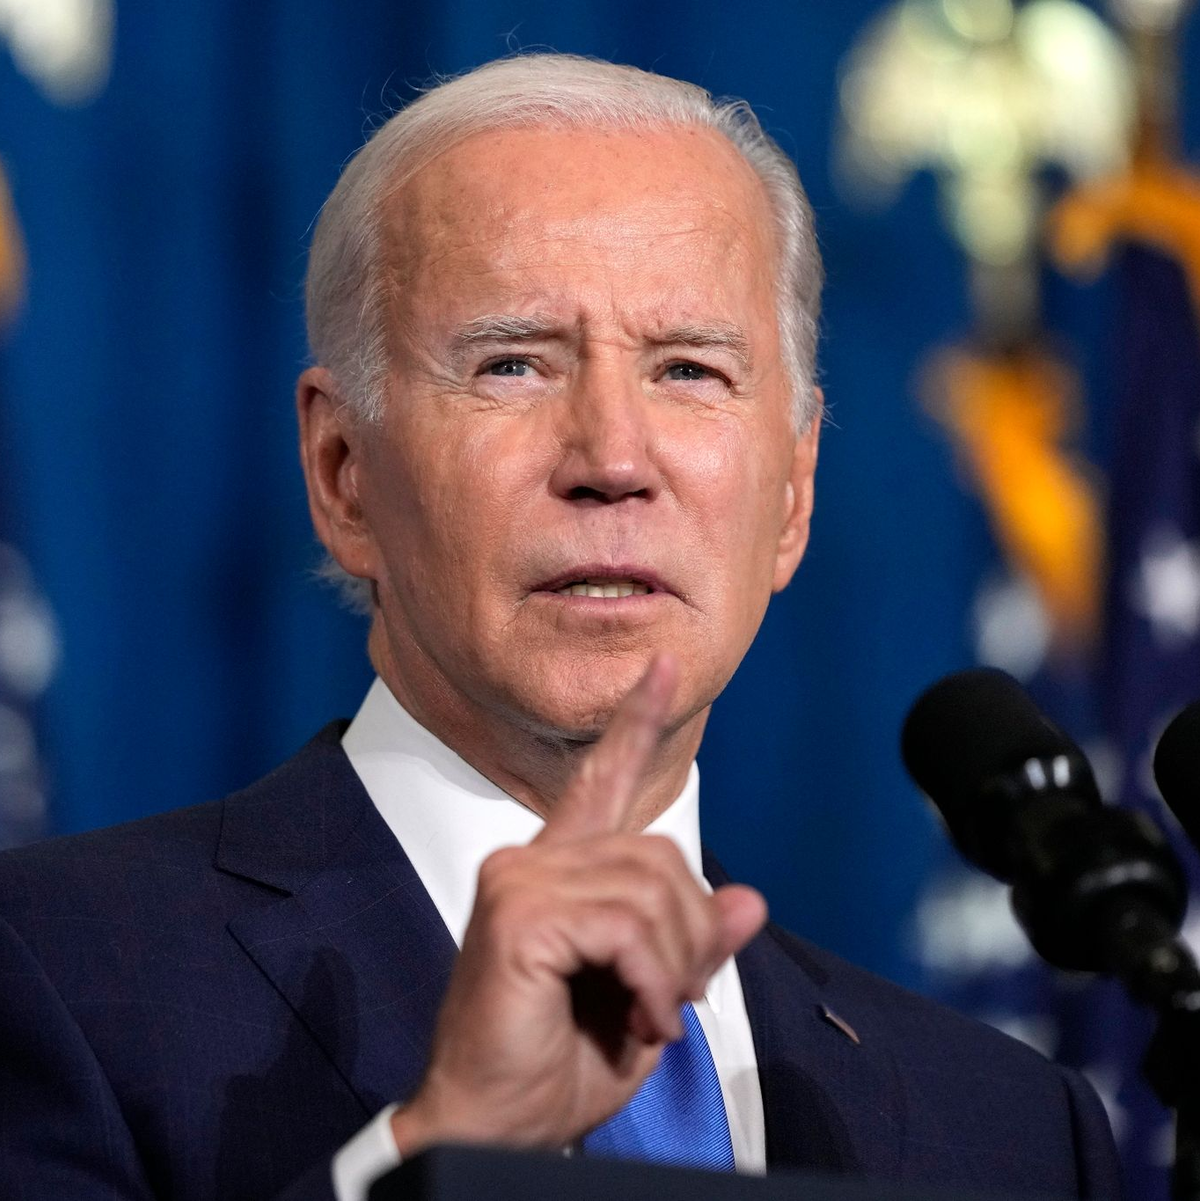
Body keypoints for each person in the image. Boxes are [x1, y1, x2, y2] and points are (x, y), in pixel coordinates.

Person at [0, 53, 1120, 1201]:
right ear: (343, 474)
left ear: (793, 494)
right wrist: (441, 1144)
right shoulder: (51, 971)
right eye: (514, 365)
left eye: (688, 369)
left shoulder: (1013, 1130)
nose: (614, 460)